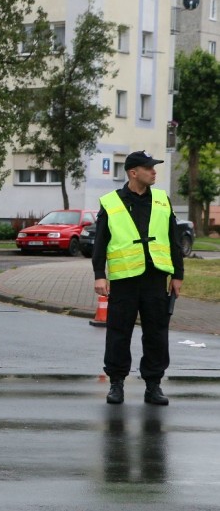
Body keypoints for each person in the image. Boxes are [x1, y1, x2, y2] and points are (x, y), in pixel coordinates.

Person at [93, 150, 184, 406]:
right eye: (149, 168)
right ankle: (116, 383)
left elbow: (174, 241)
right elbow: (101, 242)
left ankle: (153, 385)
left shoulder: (162, 201)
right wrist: (100, 275)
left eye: (154, 168)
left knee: (156, 333)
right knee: (119, 332)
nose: (154, 172)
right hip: (124, 280)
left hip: (155, 279)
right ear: (134, 173)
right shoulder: (111, 202)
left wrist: (178, 274)